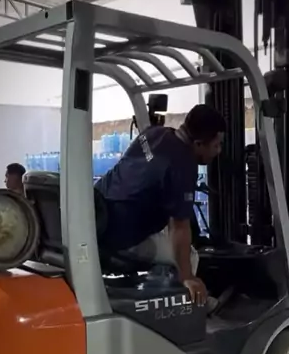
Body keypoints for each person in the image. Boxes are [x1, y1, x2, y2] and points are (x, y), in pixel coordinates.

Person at [96, 104, 225, 305]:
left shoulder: (154, 133)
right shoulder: (183, 166)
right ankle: (187, 310)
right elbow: (179, 227)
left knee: (168, 237)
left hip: (100, 214)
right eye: (216, 145)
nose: (219, 151)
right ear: (199, 144)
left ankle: (160, 294)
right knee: (189, 255)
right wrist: (187, 276)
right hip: (121, 238)